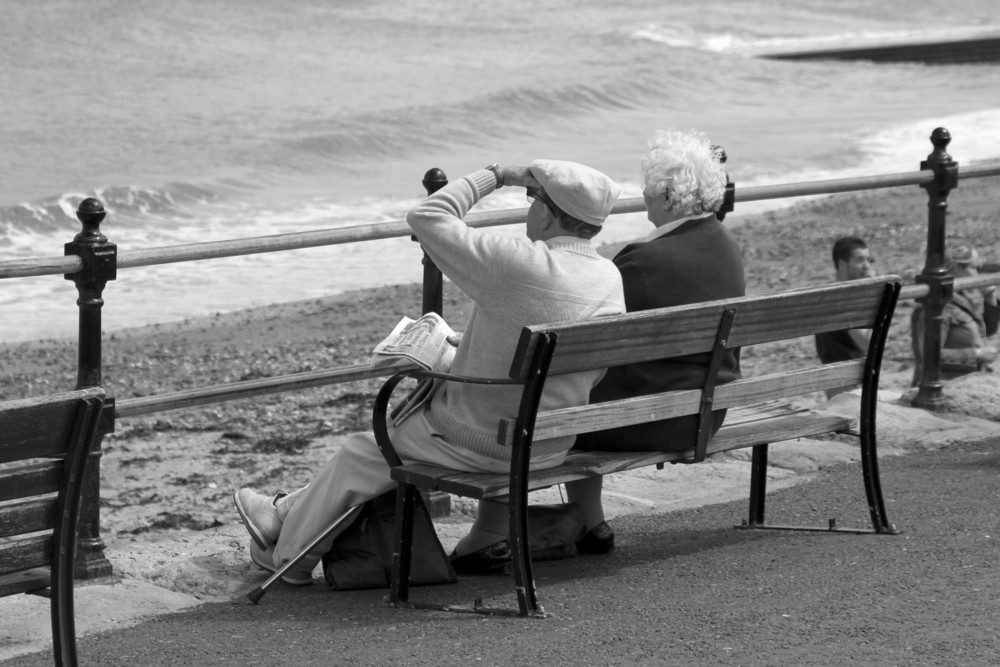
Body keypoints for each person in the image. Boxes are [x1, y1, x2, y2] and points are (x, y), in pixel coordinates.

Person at [233, 160, 626, 584]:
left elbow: (427, 216)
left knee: (363, 453)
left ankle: (287, 559)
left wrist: (496, 175)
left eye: (531, 199)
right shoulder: (609, 278)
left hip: (486, 442)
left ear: (546, 213)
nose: (529, 208)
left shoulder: (517, 263)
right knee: (381, 447)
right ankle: (280, 512)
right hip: (553, 441)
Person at [563, 129, 746, 553]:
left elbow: (587, 329)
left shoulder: (644, 261)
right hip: (708, 408)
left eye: (648, 188)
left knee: (562, 396)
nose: (642, 195)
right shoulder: (724, 243)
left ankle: (588, 524)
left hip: (662, 418)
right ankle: (589, 525)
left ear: (668, 197)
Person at [911, 245, 999, 385]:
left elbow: (988, 331)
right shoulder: (940, 308)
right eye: (974, 268)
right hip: (945, 387)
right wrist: (977, 355)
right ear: (958, 270)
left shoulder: (962, 300)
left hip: (968, 383)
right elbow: (929, 356)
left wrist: (990, 299)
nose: (978, 274)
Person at [814, 236, 874, 398]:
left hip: (836, 378)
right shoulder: (845, 299)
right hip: (848, 385)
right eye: (860, 260)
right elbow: (869, 344)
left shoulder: (829, 293)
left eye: (869, 260)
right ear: (842, 265)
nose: (867, 266)